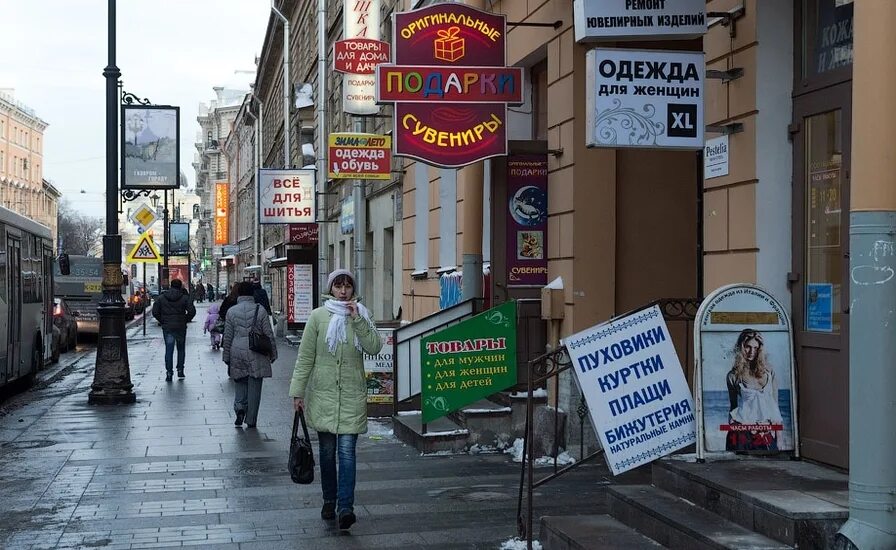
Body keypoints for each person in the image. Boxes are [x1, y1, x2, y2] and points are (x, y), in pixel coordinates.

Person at [289, 269, 382, 530]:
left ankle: (345, 508)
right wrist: (298, 392)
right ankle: (329, 500)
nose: (343, 291)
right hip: (324, 395)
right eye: (338, 286)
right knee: (328, 454)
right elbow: (306, 357)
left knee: (347, 454)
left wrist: (358, 321)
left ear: (353, 289)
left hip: (352, 396)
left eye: (347, 286)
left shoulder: (362, 314)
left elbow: (374, 346)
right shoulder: (318, 317)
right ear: (331, 289)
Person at [223, 281, 278, 428]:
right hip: (257, 351)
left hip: (237, 349)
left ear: (239, 294)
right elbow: (268, 334)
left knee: (240, 381)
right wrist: (273, 353)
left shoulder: (232, 311)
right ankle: (251, 419)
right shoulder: (260, 310)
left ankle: (240, 407)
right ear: (252, 294)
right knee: (255, 385)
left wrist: (226, 356)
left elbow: (227, 336)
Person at [725, 329, 783, 451]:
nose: (752, 351)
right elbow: (733, 407)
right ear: (741, 347)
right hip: (742, 433)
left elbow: (775, 407)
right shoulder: (733, 376)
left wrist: (779, 437)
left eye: (756, 348)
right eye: (748, 347)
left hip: (765, 433)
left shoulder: (769, 371)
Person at [151, 278, 196, 382]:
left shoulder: (162, 298)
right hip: (180, 327)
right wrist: (185, 319)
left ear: (171, 286)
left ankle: (169, 372)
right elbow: (192, 311)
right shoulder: (184, 298)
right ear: (180, 286)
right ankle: (180, 370)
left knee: (169, 350)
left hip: (168, 327)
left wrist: (162, 320)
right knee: (181, 349)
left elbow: (155, 311)